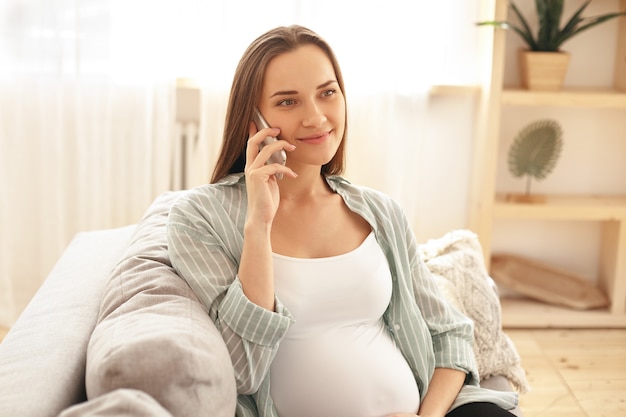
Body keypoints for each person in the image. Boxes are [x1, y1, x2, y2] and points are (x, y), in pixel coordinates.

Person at [167, 25, 518, 417]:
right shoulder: (198, 217)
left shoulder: (381, 212)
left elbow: (449, 334)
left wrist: (428, 416)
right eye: (288, 102)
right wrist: (258, 224)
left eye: (327, 93)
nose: (317, 117)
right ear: (253, 122)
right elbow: (242, 369)